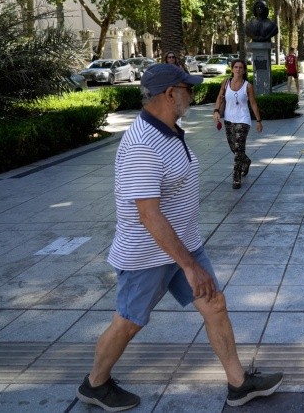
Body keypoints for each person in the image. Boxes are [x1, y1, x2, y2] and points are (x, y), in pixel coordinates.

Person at [75, 64, 282, 412]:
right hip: (148, 256)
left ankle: (238, 384)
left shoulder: (169, 130)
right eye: (188, 87)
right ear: (170, 94)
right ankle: (95, 384)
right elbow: (148, 215)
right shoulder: (142, 144)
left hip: (183, 247)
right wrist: (188, 266)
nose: (193, 92)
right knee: (128, 322)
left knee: (214, 305)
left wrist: (187, 258)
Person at [212, 59, 263, 189]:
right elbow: (219, 97)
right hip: (229, 119)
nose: (238, 69)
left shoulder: (248, 86)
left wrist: (258, 121)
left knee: (238, 148)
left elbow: (253, 103)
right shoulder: (226, 82)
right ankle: (246, 161)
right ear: (232, 69)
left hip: (243, 120)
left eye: (241, 67)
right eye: (236, 67)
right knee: (233, 147)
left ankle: (236, 178)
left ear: (244, 70)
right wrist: (216, 111)